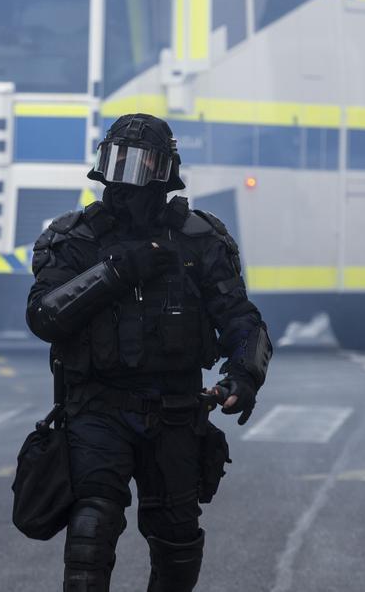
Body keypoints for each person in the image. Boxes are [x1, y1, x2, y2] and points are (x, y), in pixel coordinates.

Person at [26, 113, 272, 592]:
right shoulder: (76, 238)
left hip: (175, 413)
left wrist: (244, 375)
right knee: (91, 528)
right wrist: (116, 272)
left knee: (176, 538)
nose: (125, 181)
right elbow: (44, 316)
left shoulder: (199, 239)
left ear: (164, 173)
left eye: (138, 165)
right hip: (97, 407)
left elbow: (242, 320)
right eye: (116, 162)